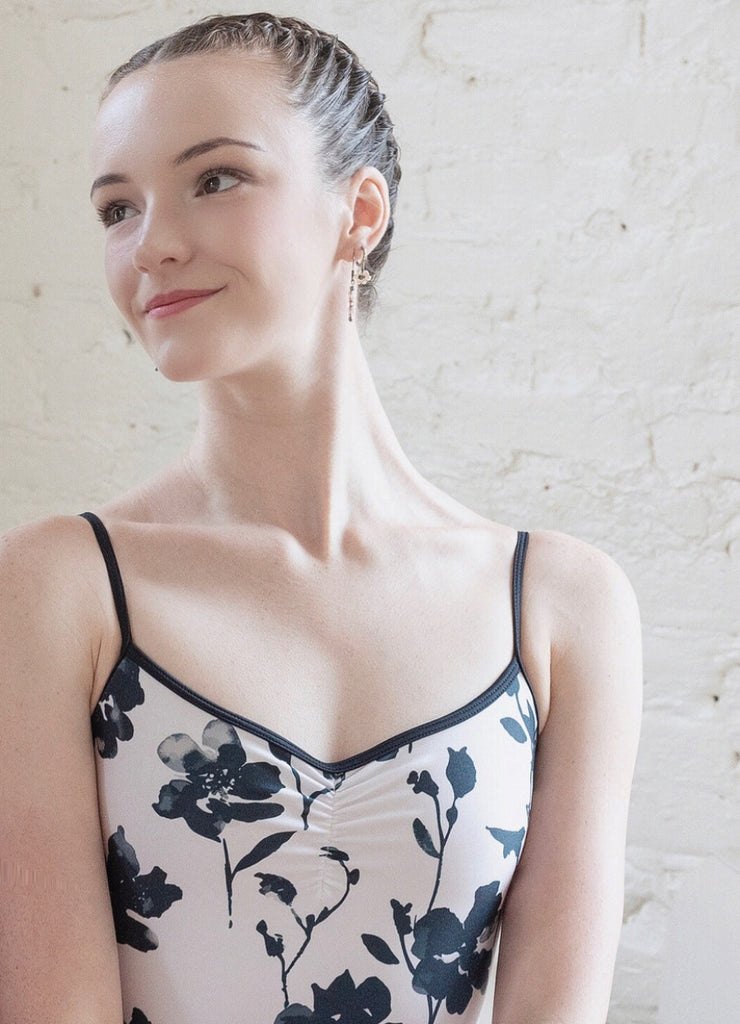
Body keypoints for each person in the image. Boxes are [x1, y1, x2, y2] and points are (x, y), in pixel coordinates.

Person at [0, 13, 642, 1024]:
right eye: (117, 208)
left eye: (215, 179)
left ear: (359, 212)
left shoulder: (557, 607)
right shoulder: (58, 588)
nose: (151, 244)